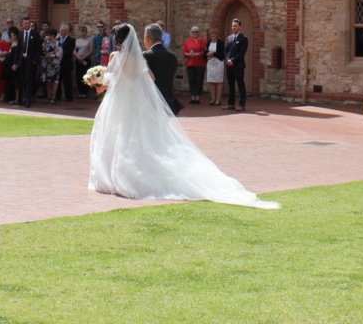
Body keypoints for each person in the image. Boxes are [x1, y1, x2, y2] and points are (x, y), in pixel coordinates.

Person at [89, 23, 279, 209]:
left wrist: (97, 82)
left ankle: (118, 177)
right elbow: (151, 78)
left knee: (117, 136)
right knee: (137, 137)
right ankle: (131, 176)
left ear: (117, 40)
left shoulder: (114, 57)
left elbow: (111, 81)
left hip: (119, 102)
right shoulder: (139, 59)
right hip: (136, 102)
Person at [142, 22, 181, 115]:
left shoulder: (146, 56)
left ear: (147, 38)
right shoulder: (173, 56)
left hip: (151, 102)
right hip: (169, 102)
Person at [223, 18, 249, 112]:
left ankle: (242, 104)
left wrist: (233, 60)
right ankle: (231, 103)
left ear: (240, 27)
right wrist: (227, 59)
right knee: (231, 84)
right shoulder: (229, 38)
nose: (234, 27)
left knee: (240, 84)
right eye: (233, 26)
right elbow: (225, 51)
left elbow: (242, 52)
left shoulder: (243, 38)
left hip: (238, 65)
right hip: (229, 65)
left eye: (235, 26)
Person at [183, 26, 207, 105]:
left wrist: (198, 54)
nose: (194, 33)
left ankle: (197, 97)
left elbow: (205, 51)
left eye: (196, 32)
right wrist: (188, 54)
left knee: (199, 80)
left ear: (198, 33)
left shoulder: (203, 41)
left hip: (200, 63)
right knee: (192, 80)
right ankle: (193, 97)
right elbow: (184, 51)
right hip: (190, 63)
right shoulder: (188, 41)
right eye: (193, 32)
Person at [41, 28, 62, 104]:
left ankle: (53, 96)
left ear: (53, 35)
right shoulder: (47, 43)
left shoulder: (58, 43)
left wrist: (50, 56)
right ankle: (48, 96)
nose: (47, 37)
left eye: (48, 35)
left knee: (54, 81)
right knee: (48, 81)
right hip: (47, 64)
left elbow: (59, 53)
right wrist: (44, 43)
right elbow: (42, 50)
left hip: (54, 65)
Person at [205, 28, 225, 106]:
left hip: (218, 64)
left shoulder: (220, 43)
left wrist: (214, 53)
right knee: (211, 82)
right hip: (210, 64)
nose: (213, 35)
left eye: (214, 34)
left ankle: (218, 100)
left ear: (217, 35)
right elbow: (205, 52)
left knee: (218, 82)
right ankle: (213, 99)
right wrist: (207, 54)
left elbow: (222, 54)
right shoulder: (208, 43)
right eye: (211, 34)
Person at [74, 25, 93, 96]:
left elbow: (90, 50)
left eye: (84, 32)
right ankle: (80, 91)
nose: (82, 33)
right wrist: (78, 57)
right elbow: (74, 50)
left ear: (86, 32)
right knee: (78, 76)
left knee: (85, 75)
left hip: (86, 60)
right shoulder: (77, 40)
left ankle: (85, 92)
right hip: (78, 59)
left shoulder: (89, 40)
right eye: (81, 32)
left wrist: (83, 57)